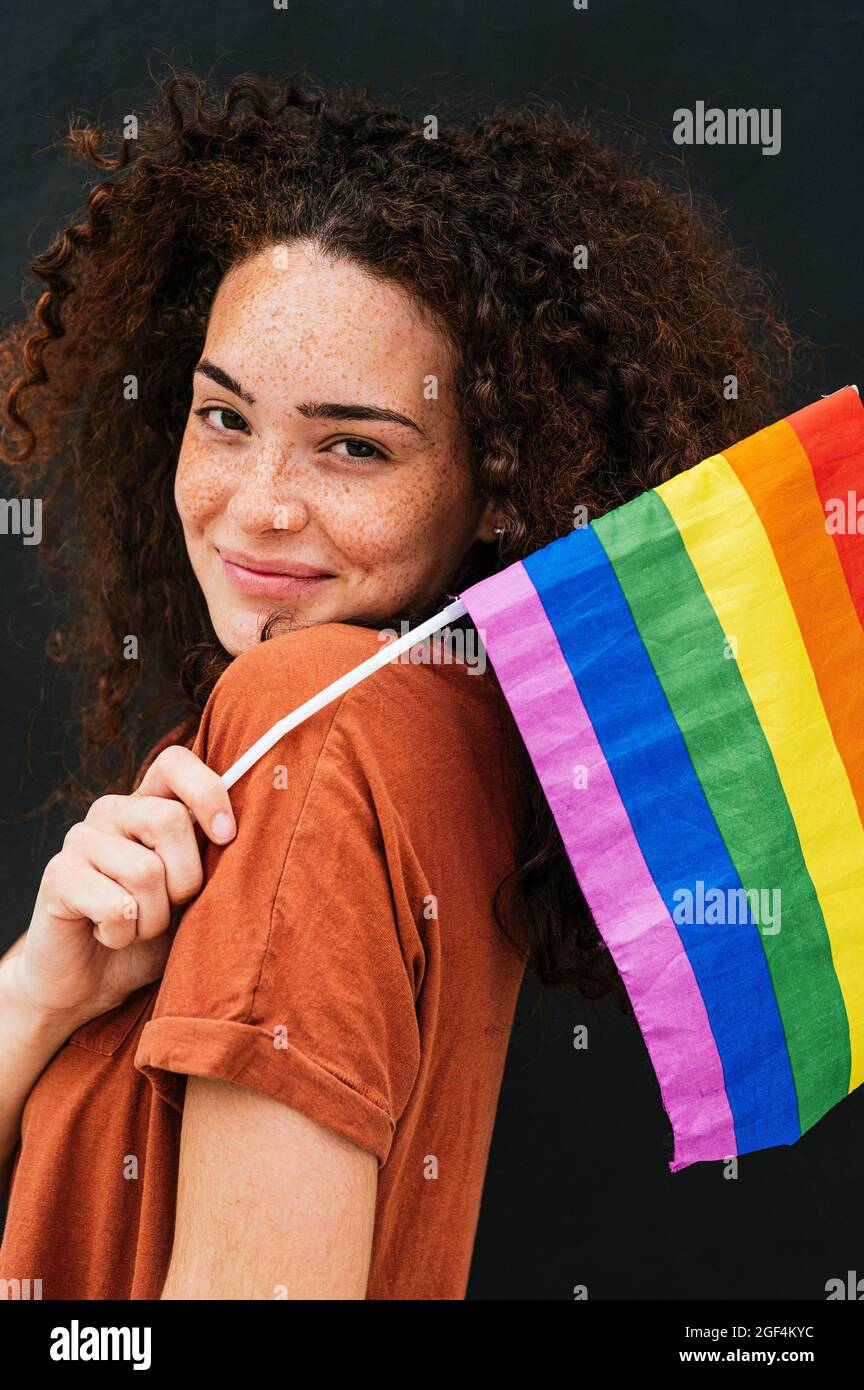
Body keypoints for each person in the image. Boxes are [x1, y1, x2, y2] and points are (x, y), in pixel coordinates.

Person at [0, 70, 807, 1300]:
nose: (259, 506)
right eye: (224, 419)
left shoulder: (316, 718)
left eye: (354, 445)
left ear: (500, 486)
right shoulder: (429, 722)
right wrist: (40, 991)